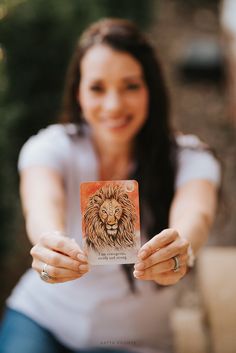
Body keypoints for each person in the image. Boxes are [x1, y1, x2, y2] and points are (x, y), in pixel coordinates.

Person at [0, 18, 221, 353]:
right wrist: (48, 243)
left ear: (151, 89)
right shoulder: (50, 147)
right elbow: (41, 203)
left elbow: (197, 213)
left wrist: (181, 248)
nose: (114, 105)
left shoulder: (190, 157)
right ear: (78, 92)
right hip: (43, 318)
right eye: (97, 88)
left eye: (130, 85)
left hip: (133, 340)